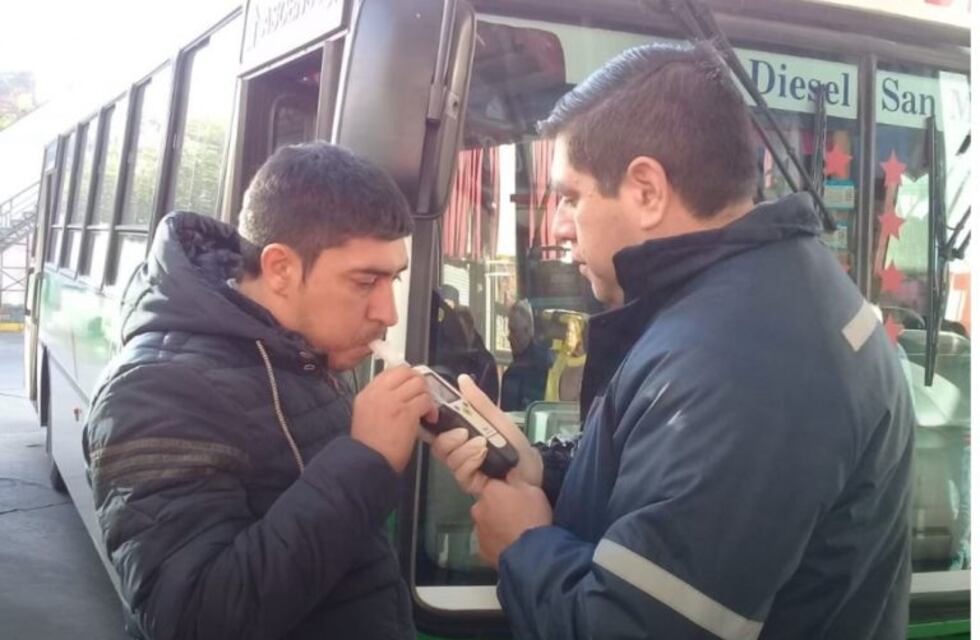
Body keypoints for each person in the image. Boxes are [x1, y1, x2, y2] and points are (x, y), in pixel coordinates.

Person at [431, 43, 914, 639]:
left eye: (572, 197)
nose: (557, 225)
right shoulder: (764, 297)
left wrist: (523, 545)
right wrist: (544, 472)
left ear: (646, 190)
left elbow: (634, 627)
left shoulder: (739, 364)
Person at [83, 142, 435, 640]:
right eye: (365, 282)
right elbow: (193, 618)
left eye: (393, 280)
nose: (389, 312)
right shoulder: (152, 391)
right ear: (280, 268)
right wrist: (365, 459)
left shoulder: (305, 353)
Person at [499, 300, 552, 412]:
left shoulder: (540, 367)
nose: (509, 337)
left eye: (513, 331)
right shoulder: (513, 371)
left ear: (527, 331)